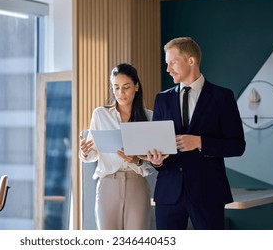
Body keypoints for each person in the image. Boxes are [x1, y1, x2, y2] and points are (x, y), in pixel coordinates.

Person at [139, 37, 246, 230]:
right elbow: (158, 147)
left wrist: (199, 142)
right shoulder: (162, 99)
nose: (168, 69)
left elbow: (237, 145)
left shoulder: (222, 97)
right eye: (167, 64)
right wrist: (157, 160)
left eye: (172, 62)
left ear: (191, 61)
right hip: (169, 193)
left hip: (208, 192)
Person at [79, 63, 153, 230]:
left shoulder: (149, 117)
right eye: (116, 87)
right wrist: (85, 152)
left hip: (137, 185)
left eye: (126, 87)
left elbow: (153, 162)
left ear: (136, 86)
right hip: (108, 185)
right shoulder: (100, 114)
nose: (121, 93)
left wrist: (137, 160)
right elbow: (92, 155)